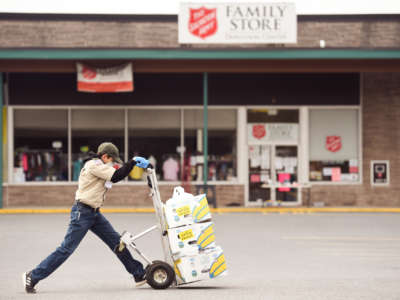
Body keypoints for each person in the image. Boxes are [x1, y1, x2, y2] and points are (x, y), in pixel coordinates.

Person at [22, 142, 151, 294]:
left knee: (118, 243)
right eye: (112, 159)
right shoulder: (93, 165)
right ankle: (33, 276)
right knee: (66, 249)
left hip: (94, 213)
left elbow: (116, 174)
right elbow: (116, 176)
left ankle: (138, 273)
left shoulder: (101, 166)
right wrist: (133, 162)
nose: (113, 163)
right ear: (104, 156)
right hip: (82, 213)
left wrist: (132, 165)